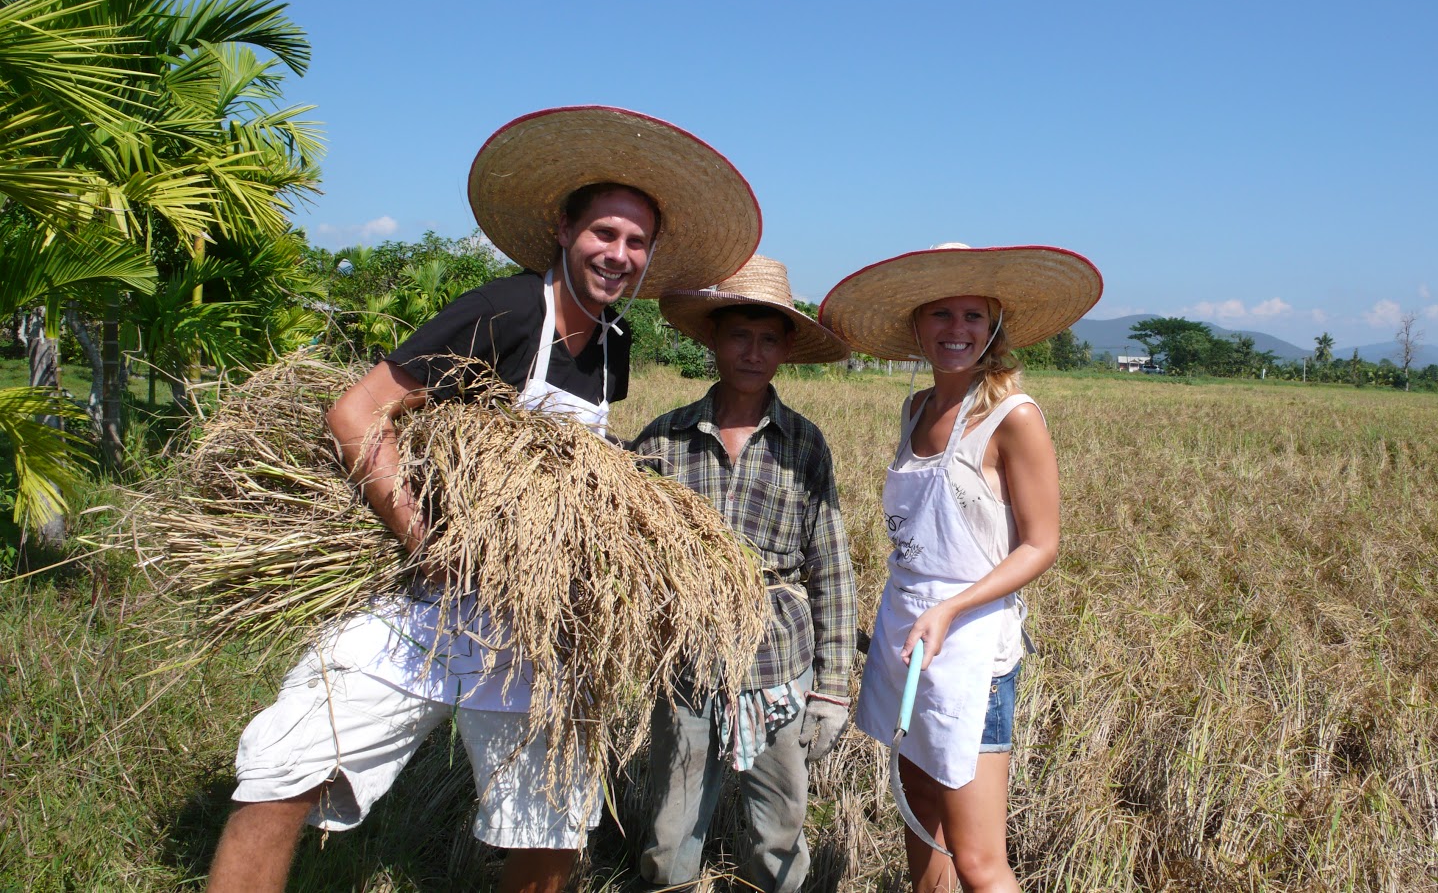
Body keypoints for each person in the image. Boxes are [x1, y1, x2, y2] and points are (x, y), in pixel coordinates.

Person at [205, 106, 761, 893]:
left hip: (533, 623)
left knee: (550, 826)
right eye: (604, 233)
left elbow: (572, 464)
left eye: (637, 242)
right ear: (564, 229)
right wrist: (428, 542)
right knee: (288, 768)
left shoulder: (615, 343)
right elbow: (357, 414)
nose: (619, 254)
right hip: (427, 605)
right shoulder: (507, 309)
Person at [818, 242, 1102, 892]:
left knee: (978, 860)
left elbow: (1041, 545)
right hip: (907, 630)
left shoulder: (1012, 417)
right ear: (917, 326)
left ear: (993, 326)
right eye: (941, 313)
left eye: (973, 315)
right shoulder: (915, 408)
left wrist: (951, 607)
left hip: (972, 643)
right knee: (920, 812)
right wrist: (923, 611)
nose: (957, 329)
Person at [630, 255, 855, 891]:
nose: (752, 353)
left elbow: (831, 568)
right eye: (738, 336)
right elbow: (629, 556)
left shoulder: (804, 444)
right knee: (670, 830)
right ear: (713, 340)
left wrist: (833, 688)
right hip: (687, 661)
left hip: (780, 661)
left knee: (780, 829)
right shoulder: (664, 439)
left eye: (767, 339)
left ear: (785, 349)